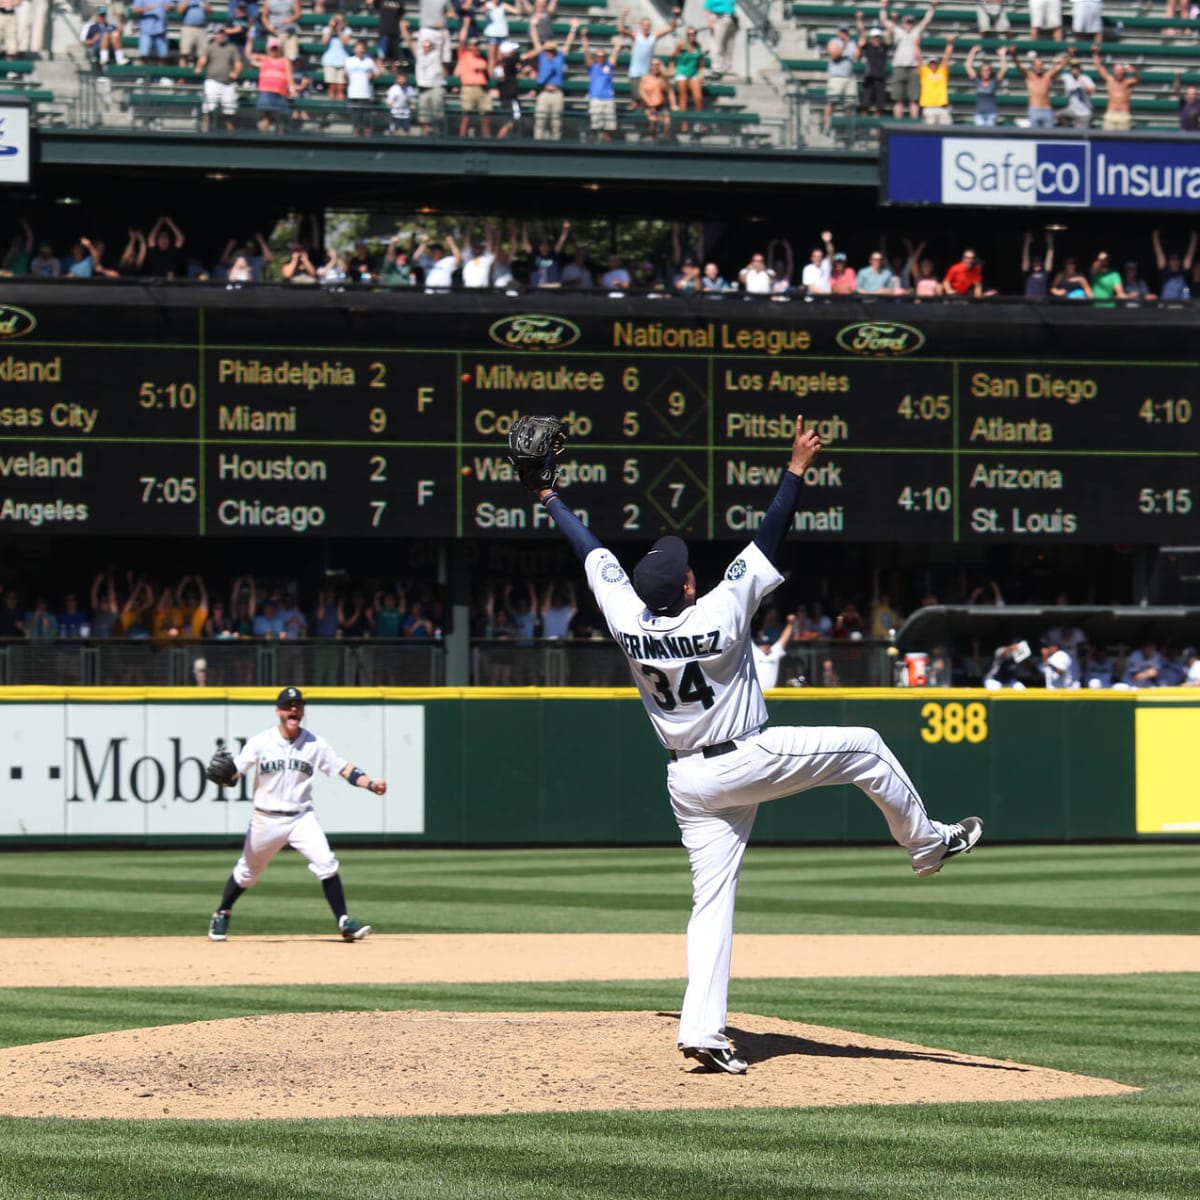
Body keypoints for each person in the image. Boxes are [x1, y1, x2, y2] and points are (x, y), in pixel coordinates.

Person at [514, 413, 983, 1073]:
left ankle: (702, 1028)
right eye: (684, 572)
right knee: (869, 746)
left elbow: (592, 553)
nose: (688, 574)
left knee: (713, 903)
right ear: (684, 587)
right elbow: (770, 537)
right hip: (743, 757)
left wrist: (547, 498)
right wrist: (795, 469)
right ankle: (926, 844)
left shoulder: (626, 619)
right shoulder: (719, 612)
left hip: (687, 782)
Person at [205, 687, 386, 943]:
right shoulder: (261, 742)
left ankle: (344, 921)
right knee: (247, 873)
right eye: (288, 705)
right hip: (266, 819)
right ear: (278, 711)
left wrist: (370, 784)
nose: (293, 709)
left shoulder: (314, 744)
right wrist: (227, 776)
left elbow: (343, 768)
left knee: (326, 863)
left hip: (301, 817)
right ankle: (223, 911)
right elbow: (235, 773)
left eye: (298, 705)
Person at [880, 1, 936, 120]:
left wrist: (932, 7)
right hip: (899, 66)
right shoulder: (898, 31)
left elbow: (926, 20)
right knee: (897, 99)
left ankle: (913, 125)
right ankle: (897, 123)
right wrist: (883, 7)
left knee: (914, 99)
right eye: (907, 22)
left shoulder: (916, 31)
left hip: (914, 66)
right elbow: (885, 21)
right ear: (903, 23)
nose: (909, 25)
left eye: (911, 22)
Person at [199, 26, 242, 131]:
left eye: (222, 33)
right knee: (208, 110)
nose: (221, 35)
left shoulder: (231, 48)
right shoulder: (210, 47)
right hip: (212, 81)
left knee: (229, 112)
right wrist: (199, 66)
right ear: (215, 35)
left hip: (228, 83)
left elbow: (238, 63)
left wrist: (236, 72)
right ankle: (205, 133)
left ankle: (231, 137)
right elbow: (202, 60)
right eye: (218, 33)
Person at [1091, 48, 1137, 131]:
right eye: (1117, 70)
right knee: (1107, 140)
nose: (1119, 72)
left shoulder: (1128, 82)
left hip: (1124, 114)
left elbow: (1138, 80)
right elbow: (1099, 67)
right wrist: (1095, 53)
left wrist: (1134, 72)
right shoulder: (1110, 80)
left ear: (1124, 72)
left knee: (1124, 140)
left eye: (1120, 70)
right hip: (1111, 113)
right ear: (1114, 71)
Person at [854, 16, 890, 117]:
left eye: (878, 37)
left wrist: (891, 20)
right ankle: (863, 127)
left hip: (880, 79)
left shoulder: (883, 47)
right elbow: (862, 32)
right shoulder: (868, 47)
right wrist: (859, 20)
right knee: (864, 105)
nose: (876, 39)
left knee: (880, 107)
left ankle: (877, 130)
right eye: (874, 37)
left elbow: (889, 33)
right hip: (869, 78)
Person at [965, 43, 1007, 126]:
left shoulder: (994, 81)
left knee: (990, 136)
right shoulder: (977, 80)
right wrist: (972, 52)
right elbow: (968, 67)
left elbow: (1004, 69)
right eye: (983, 70)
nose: (986, 72)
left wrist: (1002, 55)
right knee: (979, 136)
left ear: (991, 72)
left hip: (992, 113)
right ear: (980, 72)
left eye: (988, 70)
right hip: (979, 112)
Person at [915, 35, 954, 126]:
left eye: (935, 63)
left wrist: (950, 43)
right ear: (929, 64)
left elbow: (947, 57)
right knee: (929, 131)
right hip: (928, 107)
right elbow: (919, 59)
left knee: (946, 129)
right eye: (931, 63)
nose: (933, 65)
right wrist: (916, 46)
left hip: (942, 106)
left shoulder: (942, 71)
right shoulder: (925, 72)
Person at [1020, 54, 1065, 129]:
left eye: (1040, 64)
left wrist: (1069, 55)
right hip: (1034, 109)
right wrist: (1013, 55)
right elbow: (1019, 67)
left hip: (1047, 109)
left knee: (1049, 137)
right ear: (1033, 66)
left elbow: (1060, 67)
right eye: (1036, 65)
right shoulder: (1029, 76)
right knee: (1034, 135)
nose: (1039, 66)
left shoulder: (1047, 76)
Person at [751, 616, 794, 691]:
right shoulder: (755, 652)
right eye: (763, 644)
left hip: (772, 693)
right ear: (759, 645)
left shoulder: (774, 652)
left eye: (767, 644)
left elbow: (784, 638)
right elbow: (745, 636)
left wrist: (790, 623)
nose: (766, 646)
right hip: (757, 691)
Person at [1151, 229, 1195, 300]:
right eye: (1172, 259)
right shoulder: (1165, 272)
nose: (1175, 261)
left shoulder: (1182, 272)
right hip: (1166, 305)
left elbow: (1190, 255)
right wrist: (1155, 237)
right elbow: (1159, 253)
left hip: (1181, 305)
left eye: (1177, 259)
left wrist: (1194, 239)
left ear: (1180, 261)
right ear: (1168, 262)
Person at [1061, 56, 1095, 129]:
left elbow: (1092, 91)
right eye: (1072, 67)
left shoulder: (1085, 78)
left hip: (1084, 113)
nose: (1074, 69)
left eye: (1076, 67)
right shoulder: (1067, 77)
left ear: (1079, 68)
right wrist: (1057, 63)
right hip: (1072, 110)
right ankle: (1066, 127)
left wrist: (1084, 85)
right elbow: (1054, 75)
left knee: (1080, 135)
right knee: (1057, 115)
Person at [1022, 230, 1053, 298]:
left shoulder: (1045, 272)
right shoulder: (1028, 272)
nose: (1037, 262)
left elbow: (1049, 258)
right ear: (1031, 263)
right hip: (1029, 302)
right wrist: (1027, 242)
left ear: (1042, 263)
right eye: (1035, 260)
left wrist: (1049, 242)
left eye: (1038, 260)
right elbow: (1025, 257)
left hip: (1041, 302)